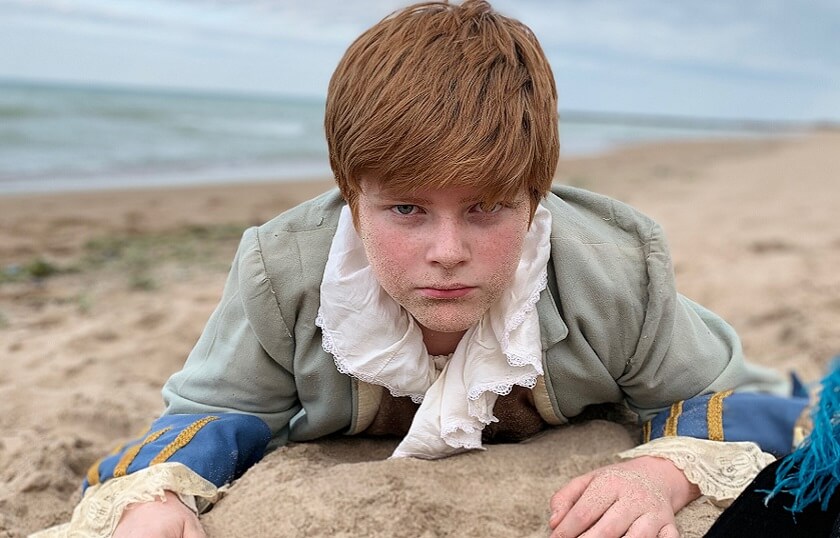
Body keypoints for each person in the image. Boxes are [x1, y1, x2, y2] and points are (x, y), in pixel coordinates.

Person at [34, 1, 808, 537]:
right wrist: (157, 497)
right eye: (406, 209)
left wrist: (658, 477)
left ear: (535, 198)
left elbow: (734, 400)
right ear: (351, 197)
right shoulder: (284, 270)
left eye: (486, 208)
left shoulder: (612, 268)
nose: (446, 250)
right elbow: (215, 411)